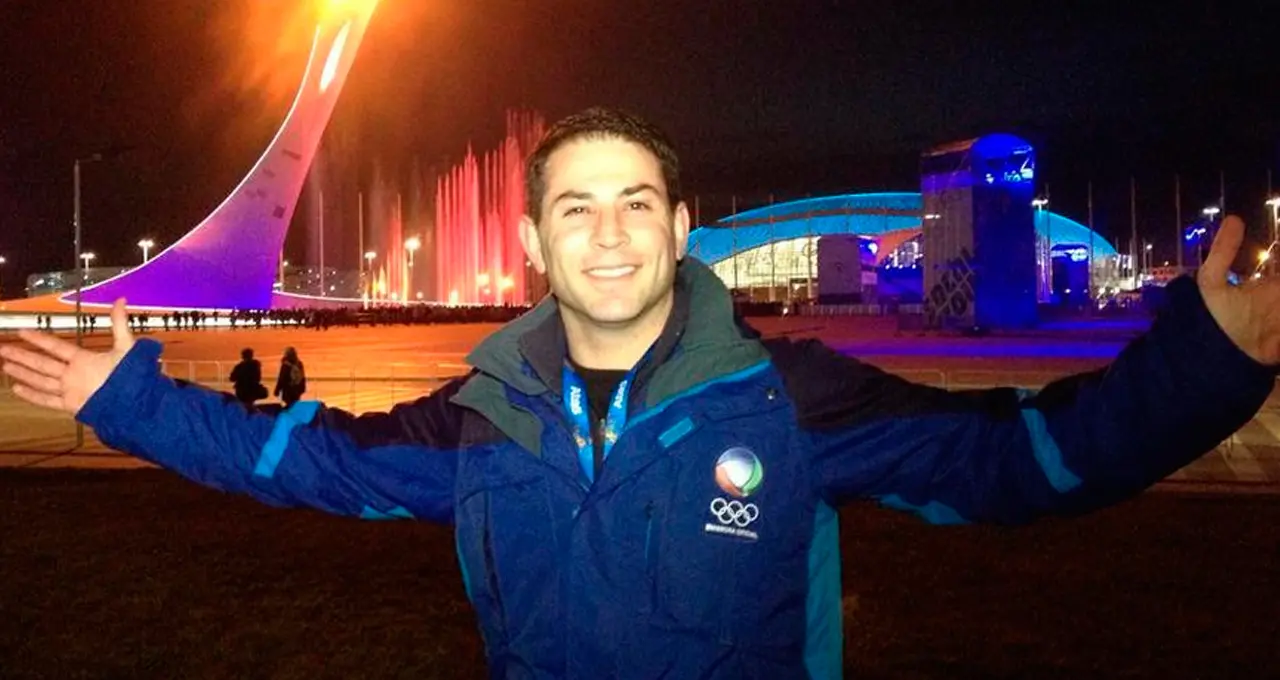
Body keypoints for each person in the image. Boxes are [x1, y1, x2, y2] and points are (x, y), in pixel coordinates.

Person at [2, 108, 1278, 679]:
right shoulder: (481, 414)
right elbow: (305, 459)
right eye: (574, 207)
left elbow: (1019, 461)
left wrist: (1202, 365)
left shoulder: (789, 396)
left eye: (633, 204)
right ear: (531, 242)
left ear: (677, 229)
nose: (605, 234)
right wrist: (131, 399)